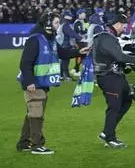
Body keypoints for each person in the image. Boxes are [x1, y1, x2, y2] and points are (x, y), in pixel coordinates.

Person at [17, 13, 86, 155]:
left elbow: (62, 53)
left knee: (33, 112)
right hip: (34, 83)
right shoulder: (35, 39)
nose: (58, 25)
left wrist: (78, 51)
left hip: (42, 82)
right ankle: (37, 145)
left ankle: (23, 143)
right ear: (48, 24)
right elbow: (25, 63)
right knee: (37, 114)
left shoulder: (51, 39)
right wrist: (29, 82)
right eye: (56, 22)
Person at [92, 12, 135, 148]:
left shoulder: (107, 36)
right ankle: (110, 138)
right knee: (114, 107)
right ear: (118, 24)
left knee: (127, 100)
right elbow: (120, 57)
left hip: (116, 76)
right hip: (109, 77)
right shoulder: (106, 38)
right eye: (124, 25)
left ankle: (106, 131)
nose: (124, 28)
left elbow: (115, 58)